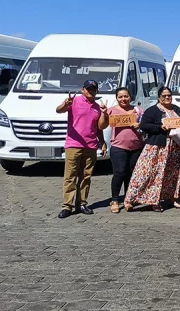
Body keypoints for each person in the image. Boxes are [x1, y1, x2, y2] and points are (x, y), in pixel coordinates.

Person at [124, 86, 180, 212]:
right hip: (157, 147)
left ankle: (172, 198)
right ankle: (133, 199)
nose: (167, 97)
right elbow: (144, 125)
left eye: (169, 95)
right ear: (159, 98)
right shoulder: (153, 110)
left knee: (172, 174)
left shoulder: (177, 109)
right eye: (164, 96)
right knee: (147, 173)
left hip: (175, 148)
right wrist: (160, 127)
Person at [55, 79, 108, 219]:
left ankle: (81, 203)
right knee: (70, 176)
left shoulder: (97, 107)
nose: (91, 91)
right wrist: (64, 104)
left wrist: (102, 142)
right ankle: (67, 206)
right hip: (73, 145)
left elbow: (100, 128)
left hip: (90, 146)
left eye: (93, 89)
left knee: (86, 176)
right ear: (82, 89)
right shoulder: (74, 101)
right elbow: (58, 110)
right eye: (88, 89)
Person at [106, 87, 144, 213]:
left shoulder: (138, 110)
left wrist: (140, 125)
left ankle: (128, 199)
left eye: (126, 96)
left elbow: (145, 125)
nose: (123, 99)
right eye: (120, 97)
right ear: (116, 98)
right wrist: (102, 113)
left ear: (130, 97)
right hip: (118, 147)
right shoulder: (111, 111)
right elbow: (101, 125)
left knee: (131, 173)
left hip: (136, 147)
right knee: (119, 173)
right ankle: (115, 200)